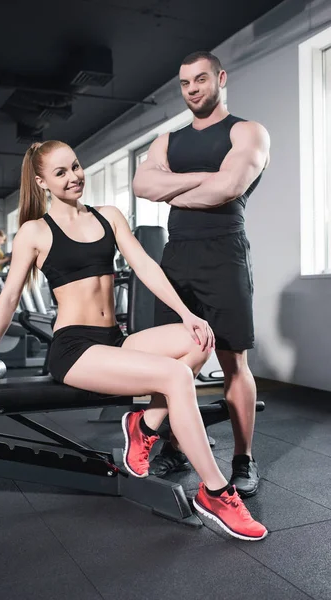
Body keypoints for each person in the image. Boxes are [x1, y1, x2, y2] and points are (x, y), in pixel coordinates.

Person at [0, 139, 267, 541]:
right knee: (176, 377)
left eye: (75, 166)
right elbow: (8, 297)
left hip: (114, 340)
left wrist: (187, 313)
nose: (74, 176)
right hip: (75, 350)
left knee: (199, 340)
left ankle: (144, 426)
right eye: (60, 172)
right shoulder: (34, 232)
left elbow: (144, 264)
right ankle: (216, 491)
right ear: (42, 181)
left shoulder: (108, 216)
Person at [133, 50, 270, 497]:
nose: (192, 89)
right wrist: (202, 181)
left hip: (224, 251)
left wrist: (172, 187)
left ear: (220, 78)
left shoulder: (247, 132)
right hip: (176, 258)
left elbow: (228, 188)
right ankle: (173, 445)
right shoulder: (166, 140)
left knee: (233, 361)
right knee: (171, 359)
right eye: (185, 83)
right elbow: (142, 186)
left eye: (200, 80)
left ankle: (243, 458)